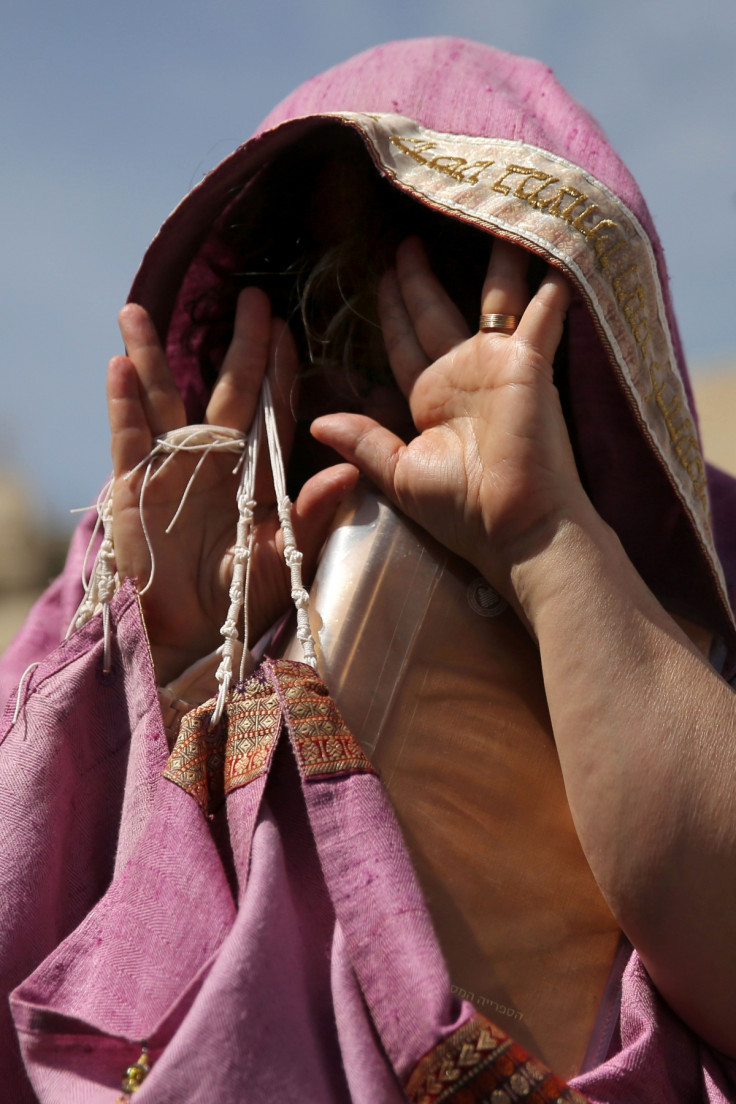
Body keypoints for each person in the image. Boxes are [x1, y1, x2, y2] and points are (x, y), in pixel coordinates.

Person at [2, 36, 736, 1103]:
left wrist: (546, 540)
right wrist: (162, 661)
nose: (392, 451)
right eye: (330, 348)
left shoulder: (691, 580)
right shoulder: (133, 570)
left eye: (429, 346)